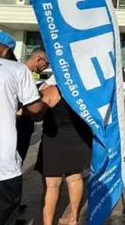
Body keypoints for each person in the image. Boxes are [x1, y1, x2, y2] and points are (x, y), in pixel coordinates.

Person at [0, 31, 46, 224]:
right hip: (0, 170)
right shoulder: (16, 69)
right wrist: (44, 103)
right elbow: (36, 109)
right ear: (5, 51)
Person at [36, 77, 93, 225]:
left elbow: (38, 114)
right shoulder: (82, 91)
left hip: (54, 139)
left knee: (52, 184)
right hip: (78, 138)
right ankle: (73, 217)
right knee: (74, 178)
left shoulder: (52, 90)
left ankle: (48, 222)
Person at [16, 47, 50, 163]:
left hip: (24, 123)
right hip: (18, 123)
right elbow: (34, 108)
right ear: (38, 58)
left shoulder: (26, 74)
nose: (47, 67)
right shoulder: (21, 73)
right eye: (46, 63)